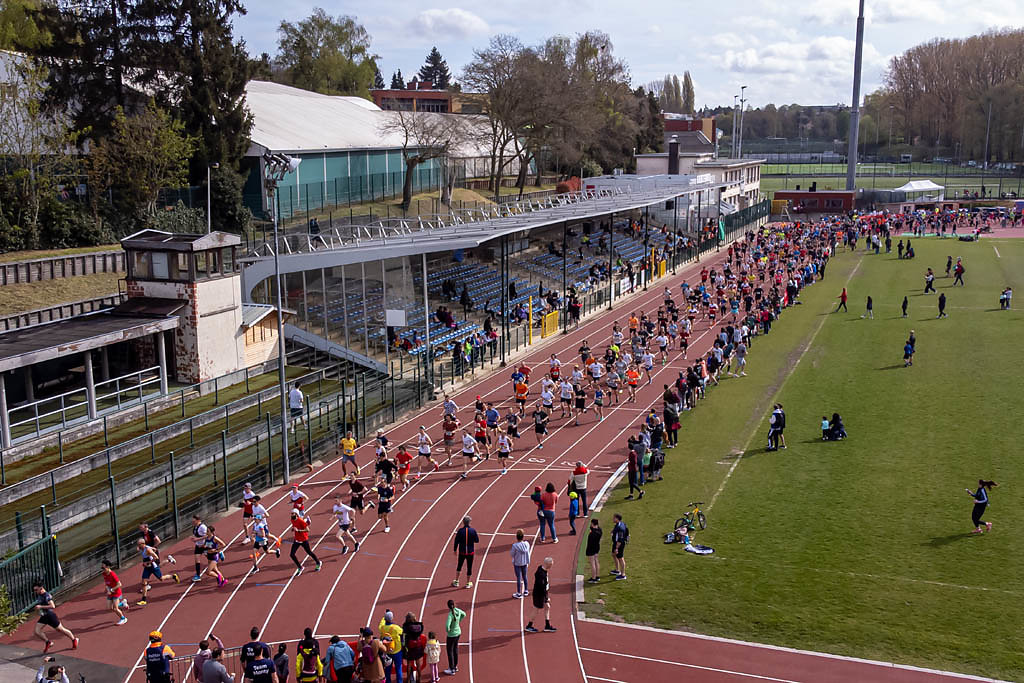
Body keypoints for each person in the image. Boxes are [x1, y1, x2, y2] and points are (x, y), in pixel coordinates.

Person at [31, 582, 77, 652]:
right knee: (37, 631)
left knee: (61, 629)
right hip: (44, 616)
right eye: (34, 590)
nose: (35, 592)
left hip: (50, 615)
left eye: (36, 590)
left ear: (41, 588)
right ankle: (48, 642)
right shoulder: (39, 595)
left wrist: (40, 606)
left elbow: (53, 606)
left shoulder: (46, 595)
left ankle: (74, 639)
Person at [135, 539, 179, 605]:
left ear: (142, 544)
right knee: (143, 582)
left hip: (153, 567)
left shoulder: (147, 550)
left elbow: (156, 557)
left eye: (139, 545)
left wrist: (148, 562)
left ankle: (173, 576)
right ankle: (143, 600)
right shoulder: (144, 547)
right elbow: (154, 549)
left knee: (161, 578)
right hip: (147, 568)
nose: (138, 546)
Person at [524, 557, 556, 633]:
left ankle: (547, 625)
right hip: (539, 595)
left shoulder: (541, 568)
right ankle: (529, 626)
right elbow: (542, 587)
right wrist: (546, 597)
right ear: (548, 565)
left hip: (542, 594)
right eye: (551, 565)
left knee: (547, 607)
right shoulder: (541, 575)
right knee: (536, 609)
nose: (551, 567)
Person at [289, 510, 322, 575]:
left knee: (309, 552)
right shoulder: (292, 520)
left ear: (296, 514)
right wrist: (293, 529)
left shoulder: (301, 521)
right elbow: (294, 526)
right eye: (291, 513)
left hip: (304, 540)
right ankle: (300, 567)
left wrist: (298, 530)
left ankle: (318, 562)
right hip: (297, 540)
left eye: (293, 513)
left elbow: (307, 529)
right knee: (292, 554)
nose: (291, 515)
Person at [451, 516, 480, 589]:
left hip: (462, 552)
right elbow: (477, 540)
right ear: (469, 522)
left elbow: (456, 541)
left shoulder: (460, 531)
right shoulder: (473, 531)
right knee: (469, 567)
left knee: (459, 565)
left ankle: (457, 581)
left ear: (463, 522)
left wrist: (455, 550)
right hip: (470, 552)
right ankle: (468, 583)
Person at [378, 610, 403, 683]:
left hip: (387, 651)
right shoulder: (395, 628)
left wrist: (384, 616)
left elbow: (381, 623)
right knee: (398, 668)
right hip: (397, 651)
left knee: (387, 670)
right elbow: (402, 631)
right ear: (392, 618)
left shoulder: (382, 628)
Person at [101, 560, 129, 624]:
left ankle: (123, 618)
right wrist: (107, 589)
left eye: (103, 568)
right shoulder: (104, 574)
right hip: (110, 593)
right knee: (109, 608)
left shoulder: (112, 574)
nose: (103, 569)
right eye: (102, 568)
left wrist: (111, 590)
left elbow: (119, 584)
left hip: (116, 593)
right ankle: (122, 603)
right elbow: (106, 583)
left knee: (115, 609)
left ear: (108, 567)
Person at [443, 600, 466, 675]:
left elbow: (447, 625)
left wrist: (448, 630)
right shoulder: (458, 611)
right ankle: (455, 666)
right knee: (455, 649)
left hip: (451, 635)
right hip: (458, 633)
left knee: (450, 651)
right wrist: (459, 621)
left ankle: (451, 668)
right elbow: (464, 614)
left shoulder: (450, 614)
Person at [510, 529, 532, 599]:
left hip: (517, 563)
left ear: (517, 537)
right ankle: (526, 590)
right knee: (525, 576)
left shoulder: (515, 546)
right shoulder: (527, 544)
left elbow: (512, 554)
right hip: (525, 562)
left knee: (519, 577)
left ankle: (519, 593)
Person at [610, 513, 628, 581]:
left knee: (620, 558)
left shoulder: (620, 528)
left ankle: (623, 575)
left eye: (614, 518)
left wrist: (617, 548)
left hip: (619, 544)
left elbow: (620, 539)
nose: (613, 519)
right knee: (613, 555)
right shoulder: (620, 524)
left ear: (617, 519)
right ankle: (617, 570)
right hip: (616, 543)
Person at [585, 518, 602, 583]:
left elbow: (590, 543)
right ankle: (597, 576)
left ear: (592, 523)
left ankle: (593, 578)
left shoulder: (592, 534)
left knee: (592, 563)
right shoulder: (599, 530)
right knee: (596, 561)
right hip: (597, 547)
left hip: (591, 549)